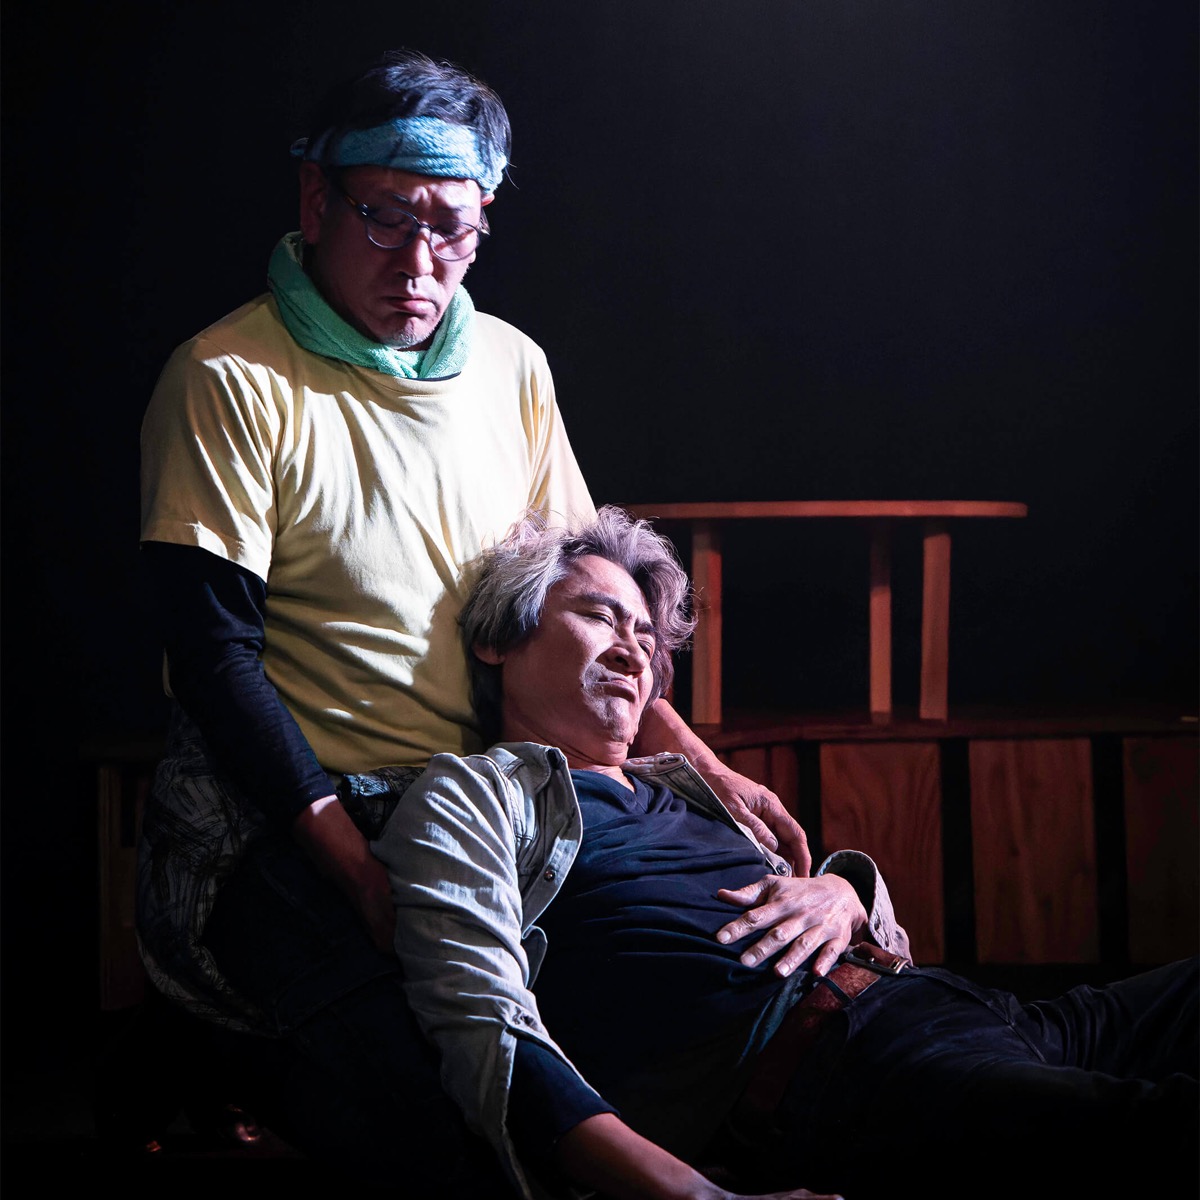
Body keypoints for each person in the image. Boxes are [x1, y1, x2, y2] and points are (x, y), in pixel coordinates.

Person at [131, 47, 806, 1187]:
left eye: (452, 228)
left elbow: (600, 593)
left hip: (496, 803)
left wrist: (700, 766)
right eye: (385, 218)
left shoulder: (510, 367)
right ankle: (202, 1059)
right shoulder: (228, 376)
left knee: (669, 1023)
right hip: (299, 811)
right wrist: (355, 866)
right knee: (451, 1126)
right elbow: (213, 656)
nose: (419, 262)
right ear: (316, 200)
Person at [373, 505, 1199, 1200]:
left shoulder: (687, 788)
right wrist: (695, 1196)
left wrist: (845, 892)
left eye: (646, 636)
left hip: (965, 1009)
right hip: (852, 1072)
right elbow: (484, 1023)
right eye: (598, 617)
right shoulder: (475, 796)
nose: (633, 651)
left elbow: (860, 928)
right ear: (498, 641)